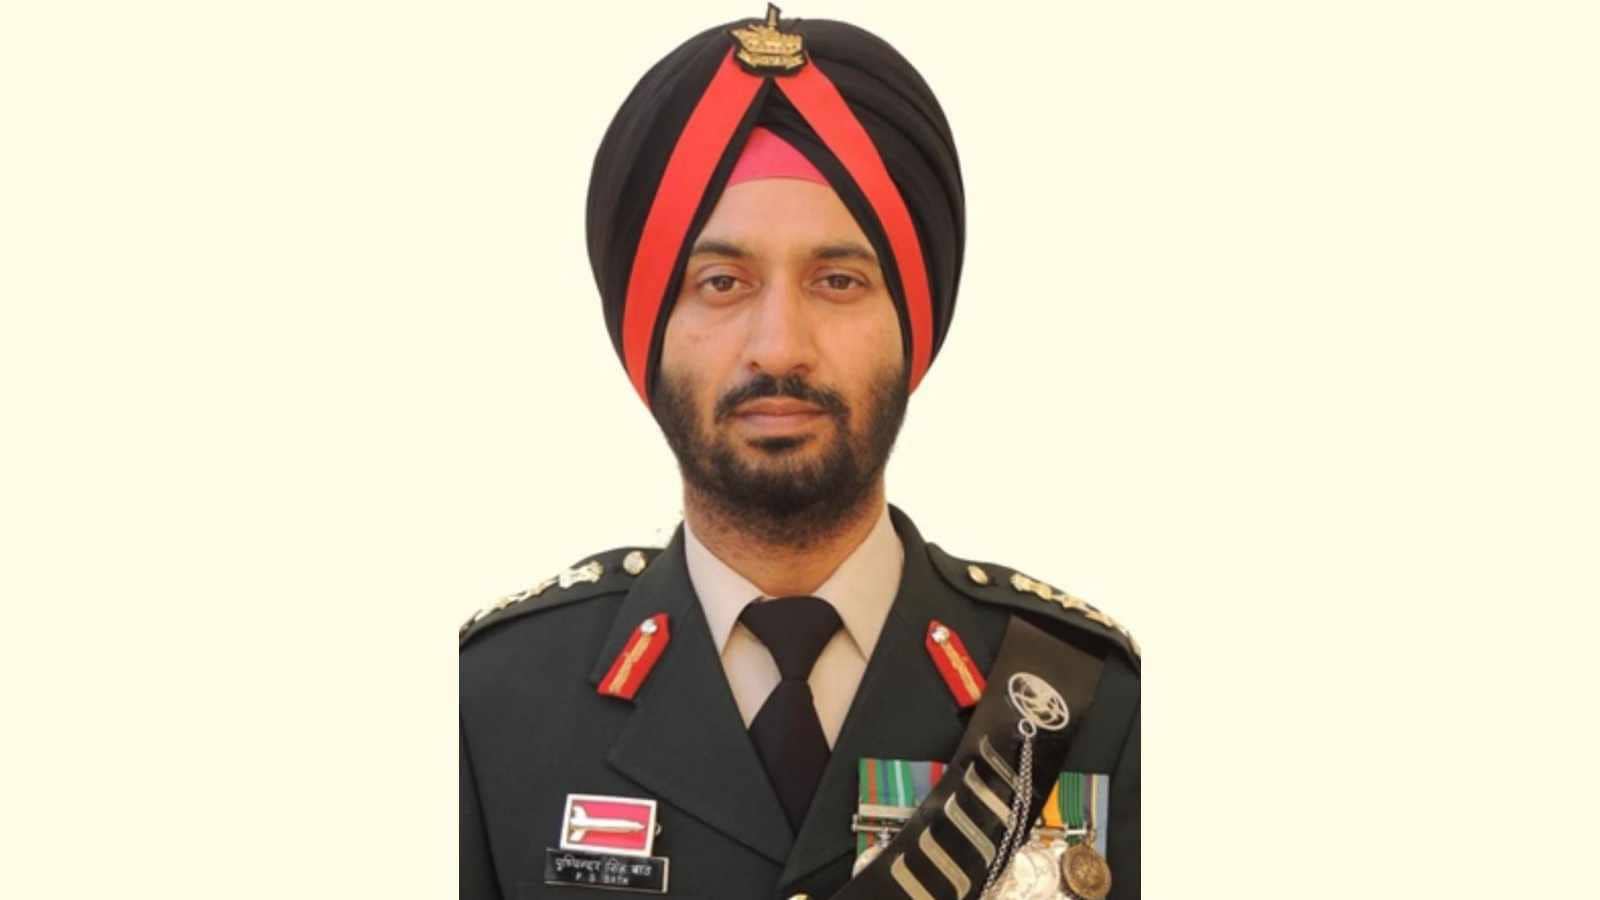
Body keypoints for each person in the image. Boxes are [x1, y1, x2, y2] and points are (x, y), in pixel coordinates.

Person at [460, 7, 1141, 899]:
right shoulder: (490, 704)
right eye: (721, 282)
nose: (779, 346)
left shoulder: (1093, 703)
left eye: (838, 281)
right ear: (647, 336)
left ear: (913, 329)